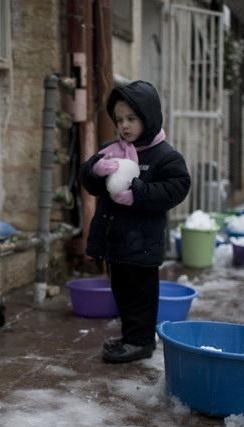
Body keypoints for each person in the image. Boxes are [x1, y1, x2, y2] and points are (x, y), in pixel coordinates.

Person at [80, 81, 191, 364]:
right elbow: (88, 181)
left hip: (142, 243)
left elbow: (177, 187)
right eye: (119, 120)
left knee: (141, 294)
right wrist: (95, 170)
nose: (124, 126)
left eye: (132, 118)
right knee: (122, 292)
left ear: (148, 117)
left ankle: (141, 342)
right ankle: (130, 337)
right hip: (116, 240)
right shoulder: (113, 150)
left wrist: (137, 193)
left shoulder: (165, 156)